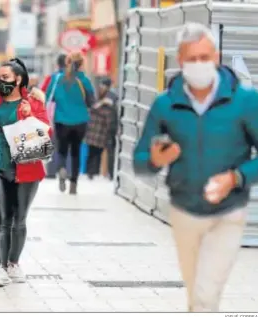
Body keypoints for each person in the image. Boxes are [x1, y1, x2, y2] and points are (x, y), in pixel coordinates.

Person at [133, 23, 258, 312]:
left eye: (205, 57)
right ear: (180, 61)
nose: (199, 64)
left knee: (204, 294)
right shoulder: (166, 105)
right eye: (192, 59)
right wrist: (154, 160)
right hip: (184, 213)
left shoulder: (245, 101)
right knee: (197, 297)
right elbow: (140, 163)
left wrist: (236, 178)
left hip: (228, 213)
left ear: (216, 57)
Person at [0, 58, 50, 287]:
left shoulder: (33, 102)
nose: (0, 82)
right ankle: (0, 267)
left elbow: (46, 135)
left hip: (26, 170)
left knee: (19, 220)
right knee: (2, 220)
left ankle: (14, 263)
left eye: (5, 78)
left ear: (18, 79)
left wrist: (29, 116)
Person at [45, 51, 95, 194]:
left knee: (61, 150)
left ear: (67, 63)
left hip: (61, 120)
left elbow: (49, 97)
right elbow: (92, 100)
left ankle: (61, 169)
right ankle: (73, 184)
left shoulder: (58, 79)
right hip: (80, 121)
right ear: (81, 64)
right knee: (75, 152)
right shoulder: (84, 80)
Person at [83, 80, 117, 182]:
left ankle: (92, 173)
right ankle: (94, 173)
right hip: (100, 131)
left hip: (96, 130)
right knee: (96, 153)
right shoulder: (107, 98)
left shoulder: (103, 97)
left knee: (93, 153)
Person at [96, 77, 118, 180]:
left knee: (110, 150)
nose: (101, 87)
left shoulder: (111, 96)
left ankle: (111, 173)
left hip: (110, 127)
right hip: (108, 126)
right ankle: (109, 172)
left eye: (102, 85)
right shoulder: (106, 96)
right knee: (109, 150)